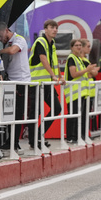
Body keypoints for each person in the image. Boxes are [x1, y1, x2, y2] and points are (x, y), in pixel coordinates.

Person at [28, 19, 65, 149]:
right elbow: (44, 60)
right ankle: (33, 140)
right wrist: (54, 76)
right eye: (51, 27)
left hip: (47, 84)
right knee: (35, 113)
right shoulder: (40, 41)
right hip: (37, 83)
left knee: (56, 108)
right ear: (45, 29)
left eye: (56, 27)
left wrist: (60, 77)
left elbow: (55, 62)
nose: (55, 30)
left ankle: (38, 135)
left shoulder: (52, 43)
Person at [0, 21, 31, 154]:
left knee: (17, 114)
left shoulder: (19, 39)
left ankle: (14, 143)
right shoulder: (6, 43)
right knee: (8, 114)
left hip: (21, 82)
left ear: (6, 30)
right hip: (10, 81)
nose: (0, 39)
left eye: (0, 35)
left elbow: (12, 51)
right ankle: (8, 142)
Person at [64, 39, 96, 143]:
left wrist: (88, 71)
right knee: (73, 115)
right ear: (72, 47)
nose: (78, 47)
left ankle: (77, 136)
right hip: (74, 92)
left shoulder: (79, 59)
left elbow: (87, 75)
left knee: (78, 116)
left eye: (79, 45)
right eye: (76, 45)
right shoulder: (71, 58)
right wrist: (87, 70)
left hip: (80, 92)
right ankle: (70, 137)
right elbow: (73, 74)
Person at [80, 38, 100, 131]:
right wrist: (93, 71)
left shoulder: (86, 60)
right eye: (88, 47)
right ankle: (84, 133)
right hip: (85, 91)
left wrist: (93, 71)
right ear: (82, 47)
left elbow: (92, 73)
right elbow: (91, 73)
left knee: (87, 114)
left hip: (89, 91)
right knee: (84, 114)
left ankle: (87, 132)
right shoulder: (82, 60)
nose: (90, 49)